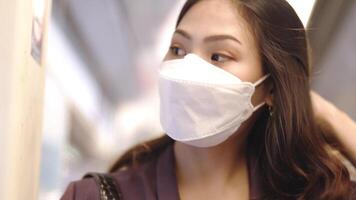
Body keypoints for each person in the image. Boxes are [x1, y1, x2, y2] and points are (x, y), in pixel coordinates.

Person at [60, 0, 356, 199]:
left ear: (271, 89)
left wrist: (332, 118)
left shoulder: (317, 193)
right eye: (177, 49)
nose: (187, 68)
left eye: (218, 56)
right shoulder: (92, 195)